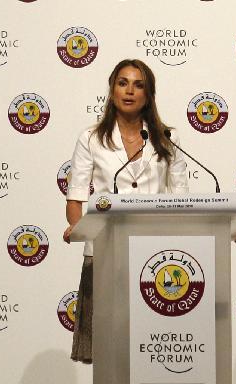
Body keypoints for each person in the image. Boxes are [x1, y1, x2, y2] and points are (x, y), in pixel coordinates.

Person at [63, 59, 189, 363]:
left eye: (138, 84)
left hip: (156, 252)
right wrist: (79, 229)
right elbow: (75, 198)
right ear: (111, 90)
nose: (129, 91)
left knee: (152, 347)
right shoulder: (91, 138)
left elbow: (182, 198)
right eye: (122, 83)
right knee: (109, 349)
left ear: (149, 94)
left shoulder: (167, 139)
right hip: (106, 252)